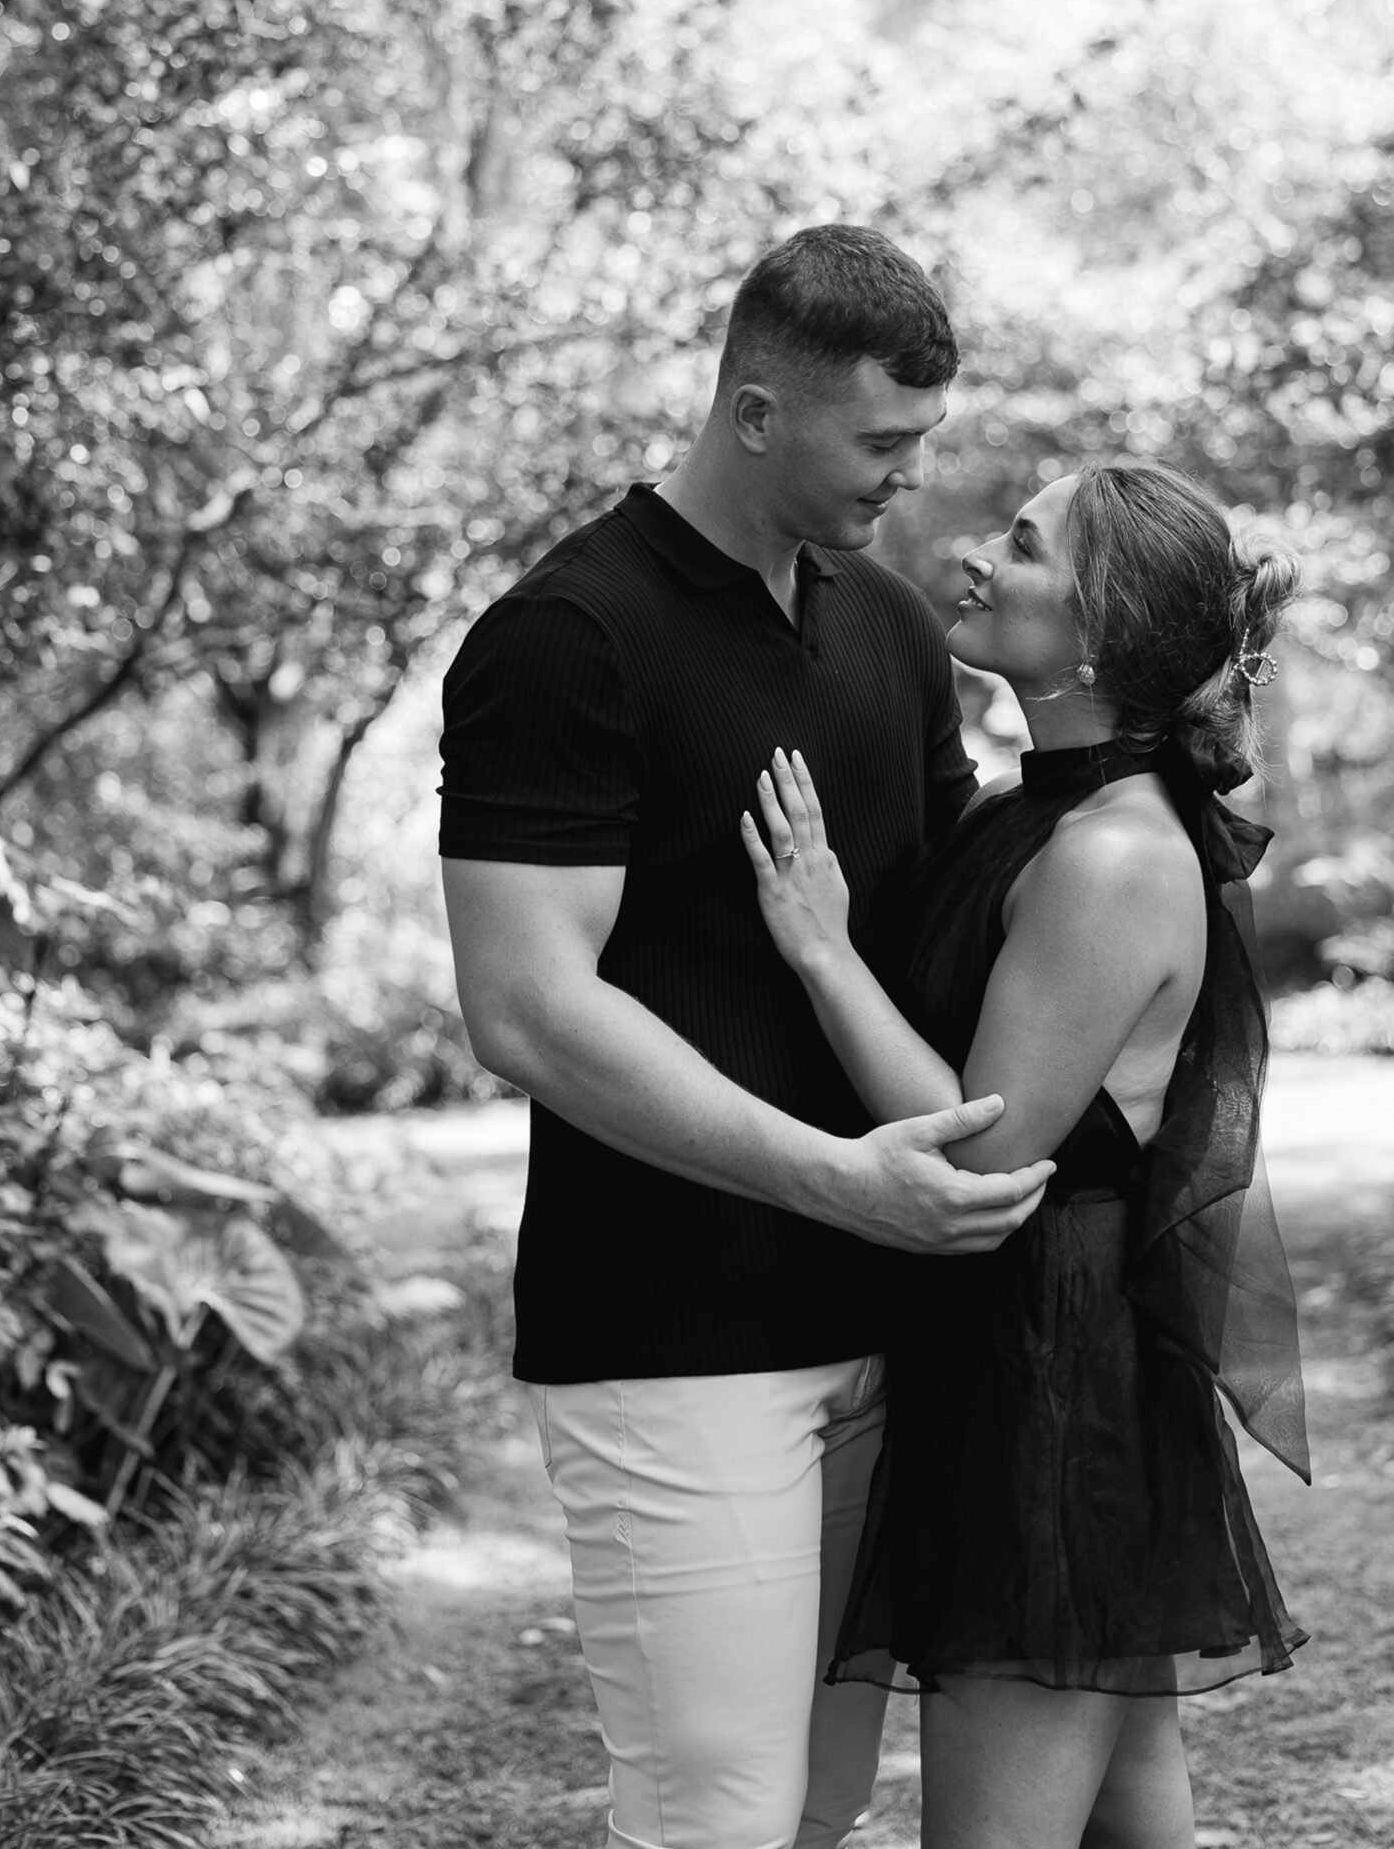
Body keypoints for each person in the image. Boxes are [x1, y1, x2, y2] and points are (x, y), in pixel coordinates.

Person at [438, 225, 1055, 1849]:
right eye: (883, 445)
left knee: (825, 1802)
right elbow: (528, 1009)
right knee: (713, 1812)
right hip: (669, 1332)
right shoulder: (567, 634)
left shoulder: (893, 633)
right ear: (757, 413)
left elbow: (952, 931)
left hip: (884, 1320)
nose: (908, 486)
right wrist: (838, 1180)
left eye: (922, 444)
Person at [742, 458, 1311, 1849]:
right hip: (1040, 1359)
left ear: (1103, 636)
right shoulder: (1043, 810)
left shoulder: (1110, 854)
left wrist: (821, 952)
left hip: (1055, 1383)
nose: (976, 557)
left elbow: (979, 1149)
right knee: (1128, 1816)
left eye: (1028, 546)